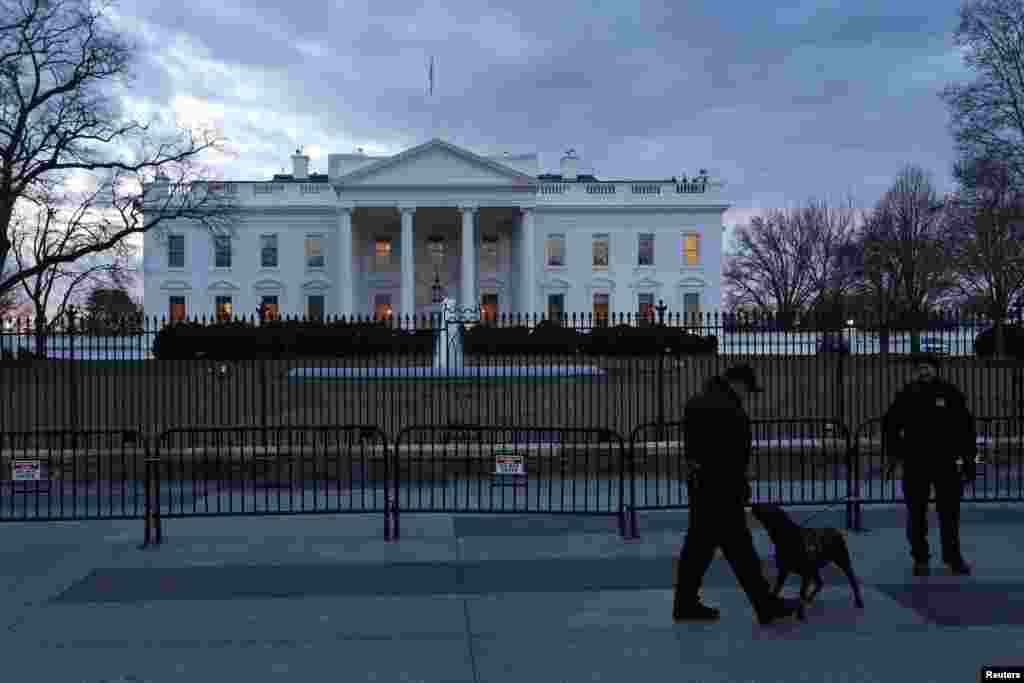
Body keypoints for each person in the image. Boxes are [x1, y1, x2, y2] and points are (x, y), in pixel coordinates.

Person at [673, 363, 803, 625]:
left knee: (699, 549)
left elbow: (694, 450)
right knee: (739, 549)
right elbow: (734, 455)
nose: (747, 395)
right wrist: (741, 485)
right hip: (723, 488)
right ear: (738, 383)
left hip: (702, 486)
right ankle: (764, 604)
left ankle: (685, 603)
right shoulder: (730, 409)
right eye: (747, 389)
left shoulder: (696, 402)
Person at [883, 352, 976, 576]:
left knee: (950, 514)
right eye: (920, 368)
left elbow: (966, 429)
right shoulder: (907, 394)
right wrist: (897, 452)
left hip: (946, 461)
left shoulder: (950, 393)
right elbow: (891, 424)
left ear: (935, 369)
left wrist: (969, 460)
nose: (924, 371)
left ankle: (953, 559)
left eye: (927, 367)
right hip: (916, 462)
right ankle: (920, 559)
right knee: (916, 513)